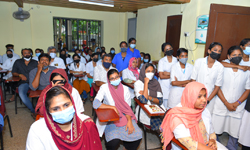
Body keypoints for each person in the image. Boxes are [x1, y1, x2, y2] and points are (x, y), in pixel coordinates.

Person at [26, 86, 102, 150]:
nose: (63, 111)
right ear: (48, 111)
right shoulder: (37, 130)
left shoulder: (87, 124)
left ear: (72, 103)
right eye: (56, 109)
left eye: (66, 105)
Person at [160, 82, 227, 150]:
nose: (204, 100)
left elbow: (212, 133)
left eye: (204, 96)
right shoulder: (177, 116)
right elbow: (190, 144)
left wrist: (212, 141)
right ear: (190, 97)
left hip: (206, 144)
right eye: (199, 96)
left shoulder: (205, 111)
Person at [212, 46, 250, 150]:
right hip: (222, 103)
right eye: (234, 55)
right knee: (216, 127)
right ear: (228, 56)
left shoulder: (246, 71)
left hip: (237, 106)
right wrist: (226, 103)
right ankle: (217, 145)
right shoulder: (222, 68)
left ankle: (231, 146)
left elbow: (247, 89)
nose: (237, 57)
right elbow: (218, 86)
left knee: (235, 130)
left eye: (239, 55)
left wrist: (237, 103)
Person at [93, 69, 142, 150]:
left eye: (117, 77)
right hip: (110, 117)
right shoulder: (104, 88)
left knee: (137, 135)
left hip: (124, 115)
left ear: (120, 77)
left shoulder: (125, 89)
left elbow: (127, 108)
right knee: (112, 142)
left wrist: (129, 121)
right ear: (108, 80)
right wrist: (112, 107)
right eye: (112, 78)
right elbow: (95, 103)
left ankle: (126, 147)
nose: (115, 80)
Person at [191, 42, 224, 113]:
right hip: (196, 96)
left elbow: (217, 86)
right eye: (215, 50)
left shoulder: (220, 66)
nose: (217, 52)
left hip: (210, 98)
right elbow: (193, 80)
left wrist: (207, 100)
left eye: (219, 51)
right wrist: (197, 96)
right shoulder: (199, 62)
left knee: (206, 120)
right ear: (209, 51)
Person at [134, 63, 164, 131]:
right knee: (161, 128)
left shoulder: (155, 82)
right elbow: (144, 100)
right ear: (143, 72)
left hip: (158, 109)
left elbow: (160, 101)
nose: (151, 73)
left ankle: (166, 139)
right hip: (145, 110)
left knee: (169, 123)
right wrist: (146, 84)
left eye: (152, 71)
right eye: (148, 71)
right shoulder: (138, 84)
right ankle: (164, 138)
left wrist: (149, 96)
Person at [12, 48, 38, 117]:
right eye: (25, 53)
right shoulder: (18, 62)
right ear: (22, 54)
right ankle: (34, 111)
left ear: (31, 54)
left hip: (34, 82)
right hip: (24, 83)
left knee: (42, 92)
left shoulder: (35, 62)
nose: (27, 54)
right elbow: (14, 72)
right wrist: (20, 75)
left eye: (28, 52)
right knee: (22, 94)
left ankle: (40, 109)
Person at [158, 42, 178, 108]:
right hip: (163, 86)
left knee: (171, 105)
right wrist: (172, 74)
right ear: (164, 52)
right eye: (167, 49)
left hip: (173, 86)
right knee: (163, 106)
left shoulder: (176, 60)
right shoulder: (162, 61)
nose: (169, 50)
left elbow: (178, 74)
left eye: (170, 48)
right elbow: (161, 76)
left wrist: (166, 73)